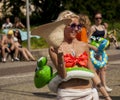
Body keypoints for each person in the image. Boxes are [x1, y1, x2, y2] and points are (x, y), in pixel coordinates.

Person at [32, 10, 112, 100]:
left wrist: (107, 96)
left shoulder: (84, 45)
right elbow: (63, 75)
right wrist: (60, 56)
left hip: (89, 93)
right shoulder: (54, 48)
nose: (77, 29)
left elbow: (93, 72)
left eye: (79, 26)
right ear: (62, 27)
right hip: (67, 94)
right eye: (73, 25)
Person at [89, 12, 112, 92]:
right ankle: (99, 86)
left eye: (100, 18)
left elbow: (104, 38)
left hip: (101, 50)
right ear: (94, 19)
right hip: (94, 50)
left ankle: (98, 86)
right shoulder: (93, 28)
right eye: (96, 18)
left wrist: (106, 29)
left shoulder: (103, 27)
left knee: (102, 68)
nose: (98, 20)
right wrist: (92, 47)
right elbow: (88, 39)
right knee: (100, 68)